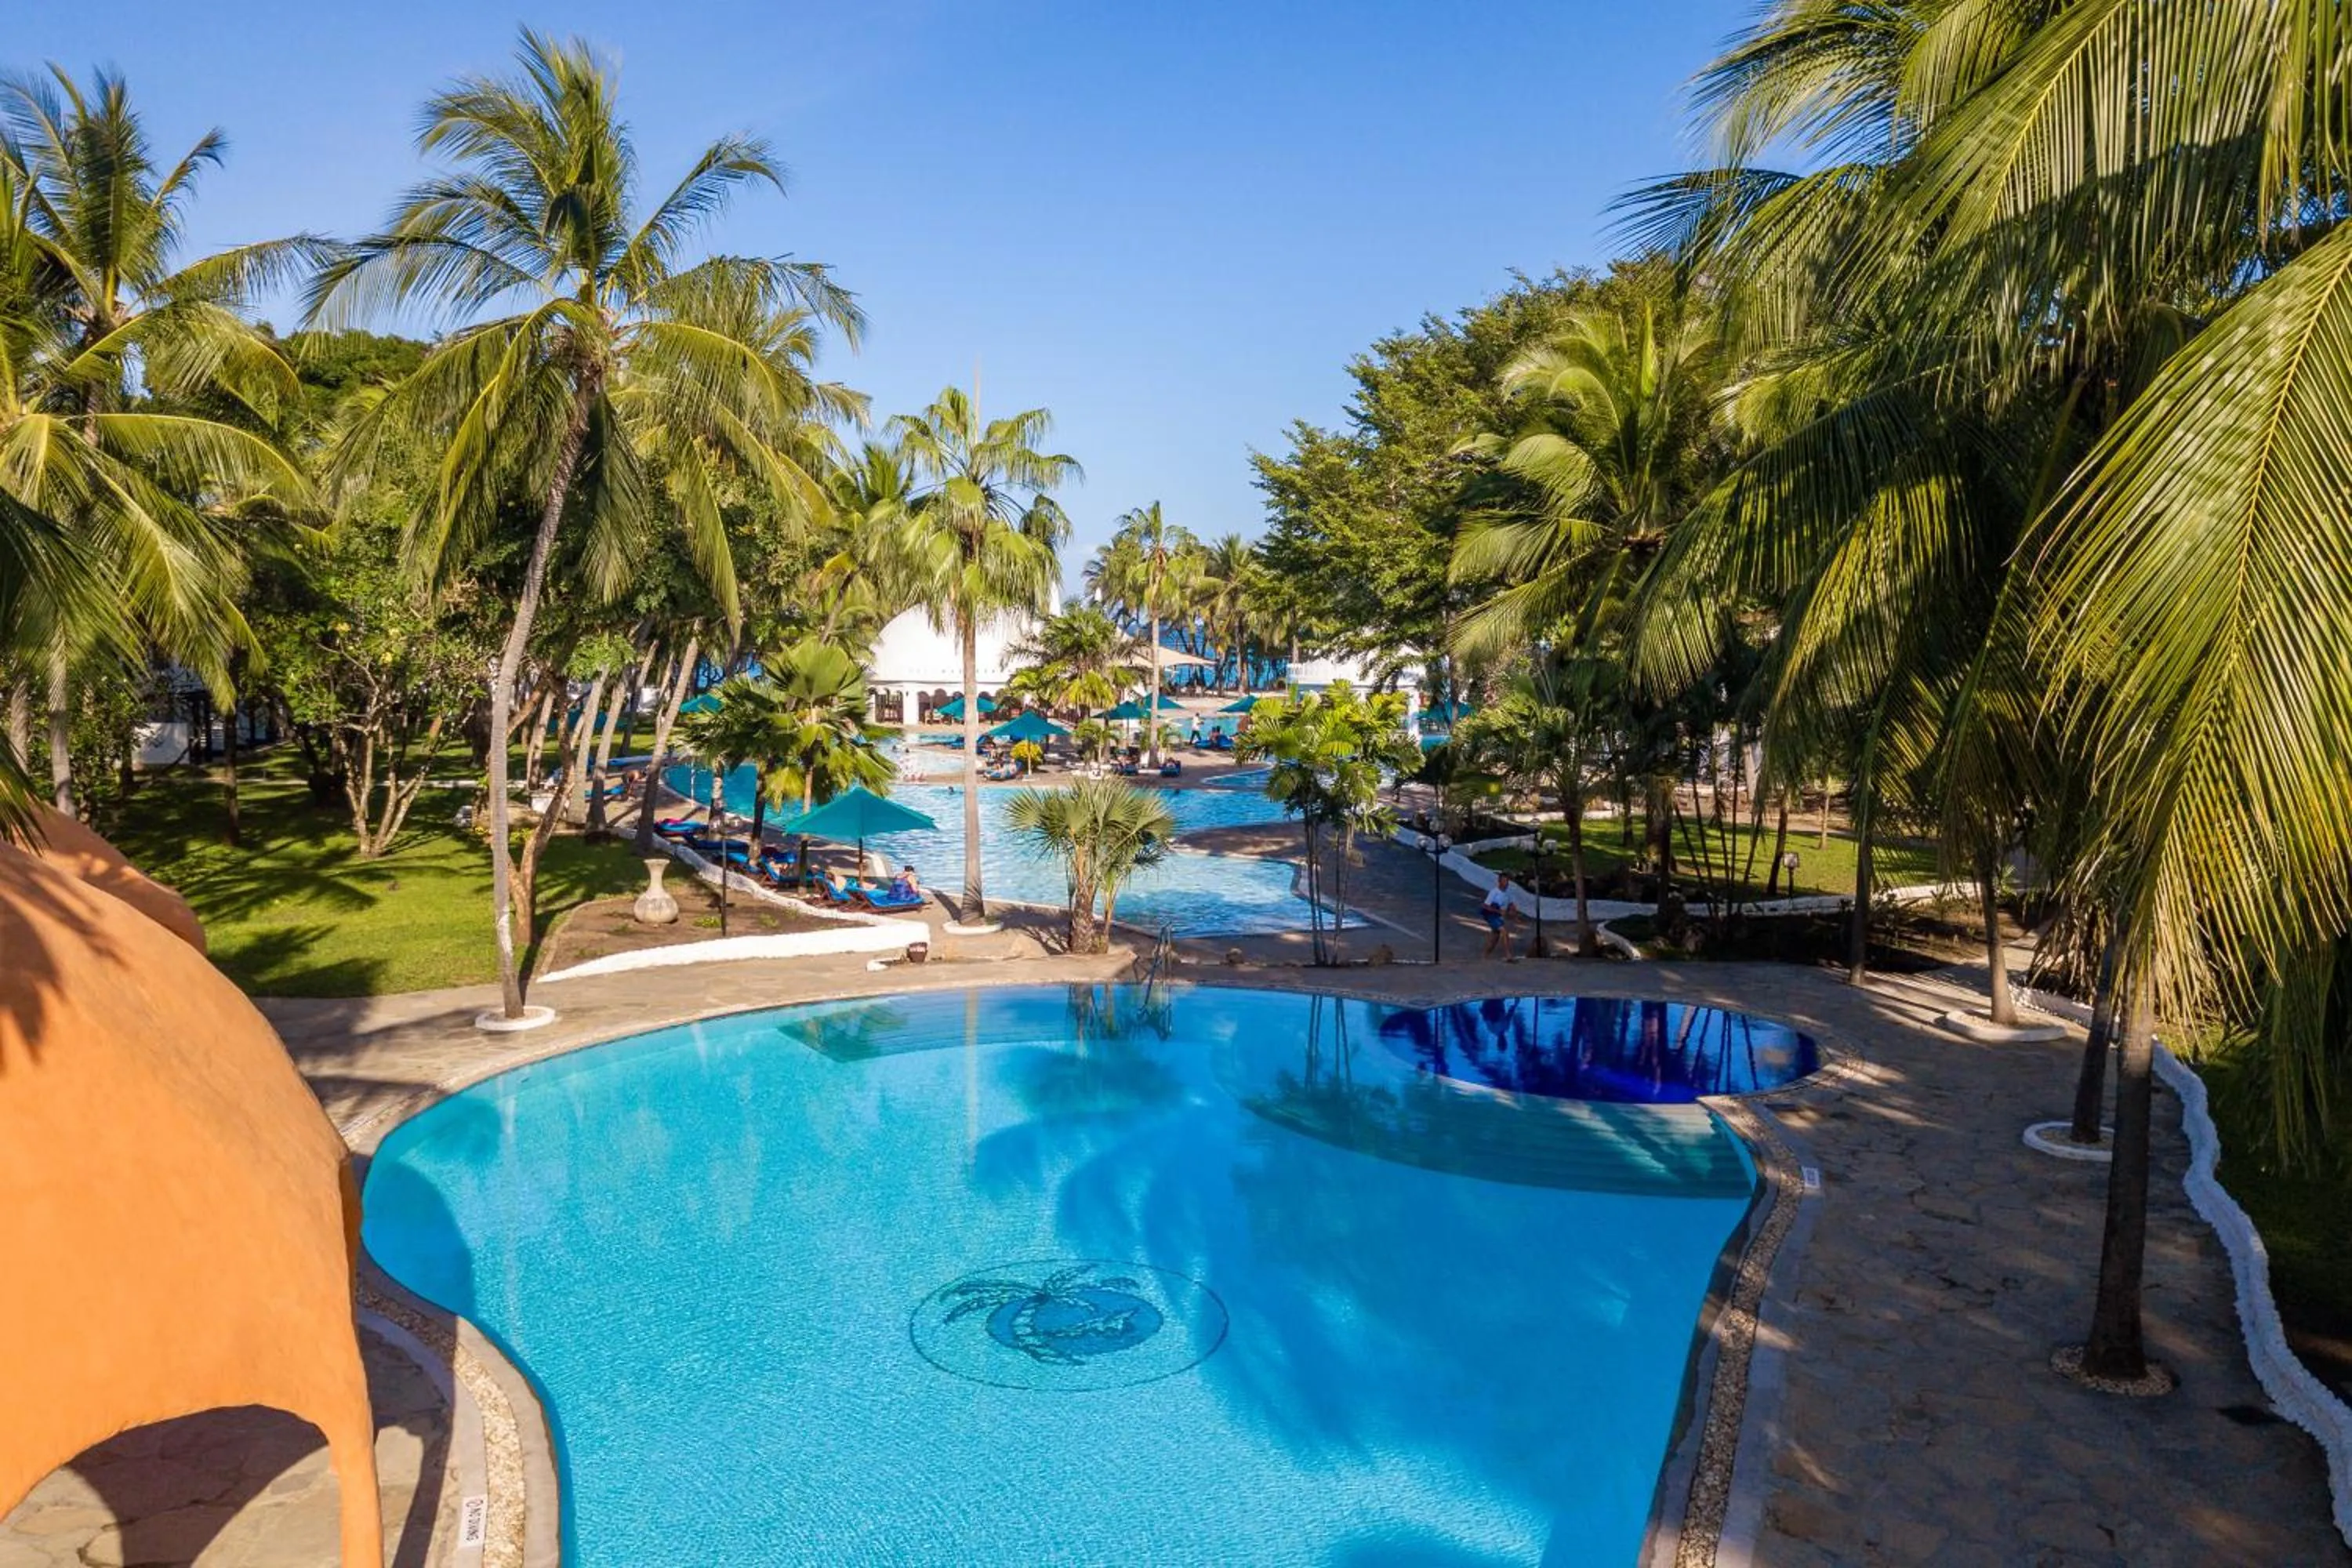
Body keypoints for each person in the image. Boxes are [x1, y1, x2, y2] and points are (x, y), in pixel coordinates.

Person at [1482, 873, 1519, 962]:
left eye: (1507, 881)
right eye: (1504, 881)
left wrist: (1515, 913)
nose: (1506, 883)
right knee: (1504, 931)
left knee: (1495, 938)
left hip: (1500, 917)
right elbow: (1485, 906)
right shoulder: (1494, 892)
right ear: (1499, 882)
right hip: (1492, 916)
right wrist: (1498, 911)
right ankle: (1508, 956)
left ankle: (1485, 956)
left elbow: (1511, 904)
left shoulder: (1508, 893)